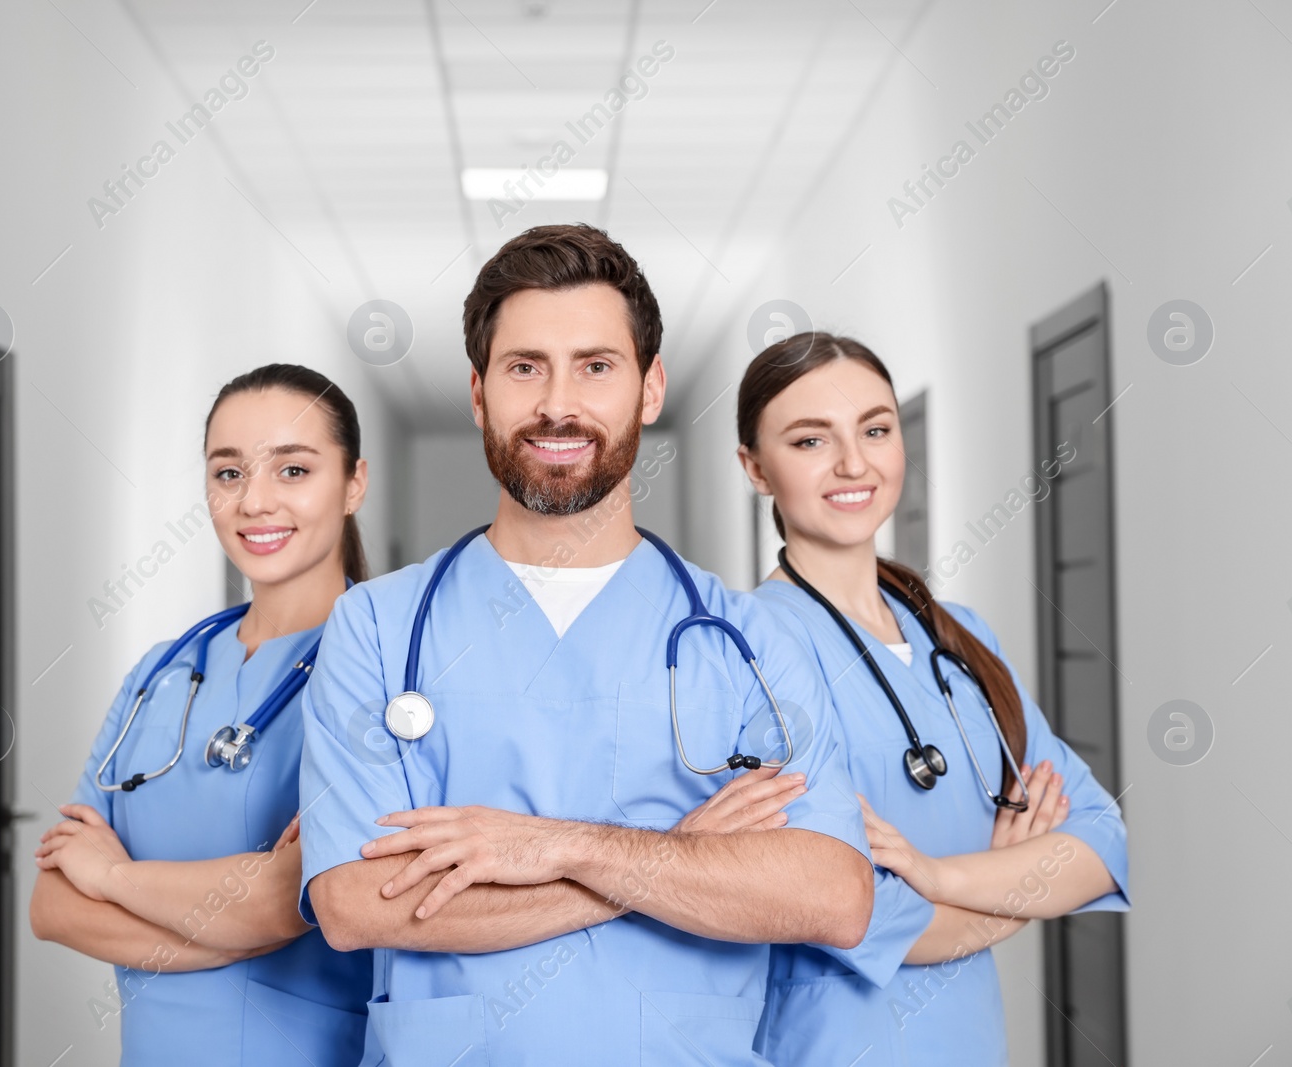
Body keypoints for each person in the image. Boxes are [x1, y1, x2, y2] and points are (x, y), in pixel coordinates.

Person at [297, 224, 875, 1066]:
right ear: (478, 392)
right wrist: (676, 859)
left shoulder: (752, 639)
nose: (557, 404)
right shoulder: (378, 627)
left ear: (649, 388)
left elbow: (832, 895)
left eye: (596, 367)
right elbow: (355, 902)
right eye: (525, 366)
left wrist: (554, 845)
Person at [735, 333, 1130, 1067]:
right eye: (811, 439)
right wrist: (1010, 897)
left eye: (876, 429)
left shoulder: (958, 634)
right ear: (756, 468)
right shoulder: (752, 647)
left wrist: (940, 874)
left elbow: (1102, 840)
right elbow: (851, 911)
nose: (854, 463)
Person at [30, 364, 374, 1067]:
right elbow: (53, 904)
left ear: (353, 483)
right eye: (228, 473)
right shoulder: (163, 669)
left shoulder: (386, 670)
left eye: (293, 470)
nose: (254, 502)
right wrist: (228, 916)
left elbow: (292, 900)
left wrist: (114, 878)